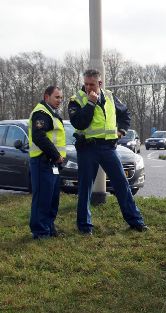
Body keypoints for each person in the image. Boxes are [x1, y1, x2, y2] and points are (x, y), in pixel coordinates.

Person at [68, 69, 147, 234]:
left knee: (122, 184)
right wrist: (90, 103)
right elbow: (79, 123)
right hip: (87, 148)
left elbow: (125, 114)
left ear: (100, 84)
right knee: (85, 189)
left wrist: (122, 131)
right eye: (86, 84)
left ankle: (136, 221)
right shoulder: (76, 100)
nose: (88, 87)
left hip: (108, 148)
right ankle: (84, 227)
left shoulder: (110, 96)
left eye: (92, 84)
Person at [28, 86, 66, 239]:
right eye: (57, 97)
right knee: (43, 198)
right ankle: (40, 232)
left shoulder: (51, 113)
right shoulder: (41, 113)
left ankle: (49, 228)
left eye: (61, 98)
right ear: (46, 97)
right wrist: (56, 155)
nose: (60, 100)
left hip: (52, 163)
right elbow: (39, 136)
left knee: (52, 198)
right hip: (43, 161)